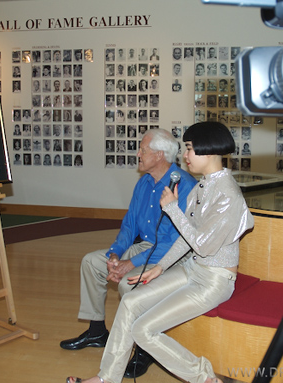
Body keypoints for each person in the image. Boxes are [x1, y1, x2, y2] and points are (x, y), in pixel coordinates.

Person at [67, 121, 254, 383]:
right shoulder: (204, 185)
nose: (185, 155)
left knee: (143, 330)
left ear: (207, 151)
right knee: (131, 302)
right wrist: (159, 268)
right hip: (191, 269)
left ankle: (206, 379)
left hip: (214, 280)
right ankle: (106, 379)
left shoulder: (227, 194)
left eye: (189, 149)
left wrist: (173, 209)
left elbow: (201, 244)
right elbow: (185, 240)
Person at [60, 128, 197, 378]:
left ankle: (144, 351)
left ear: (159, 154)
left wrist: (129, 263)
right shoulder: (144, 182)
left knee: (127, 283)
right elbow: (130, 224)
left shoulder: (184, 185)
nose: (138, 154)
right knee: (92, 262)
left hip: (172, 255)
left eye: (143, 150)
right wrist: (115, 254)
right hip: (145, 246)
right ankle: (96, 331)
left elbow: (174, 242)